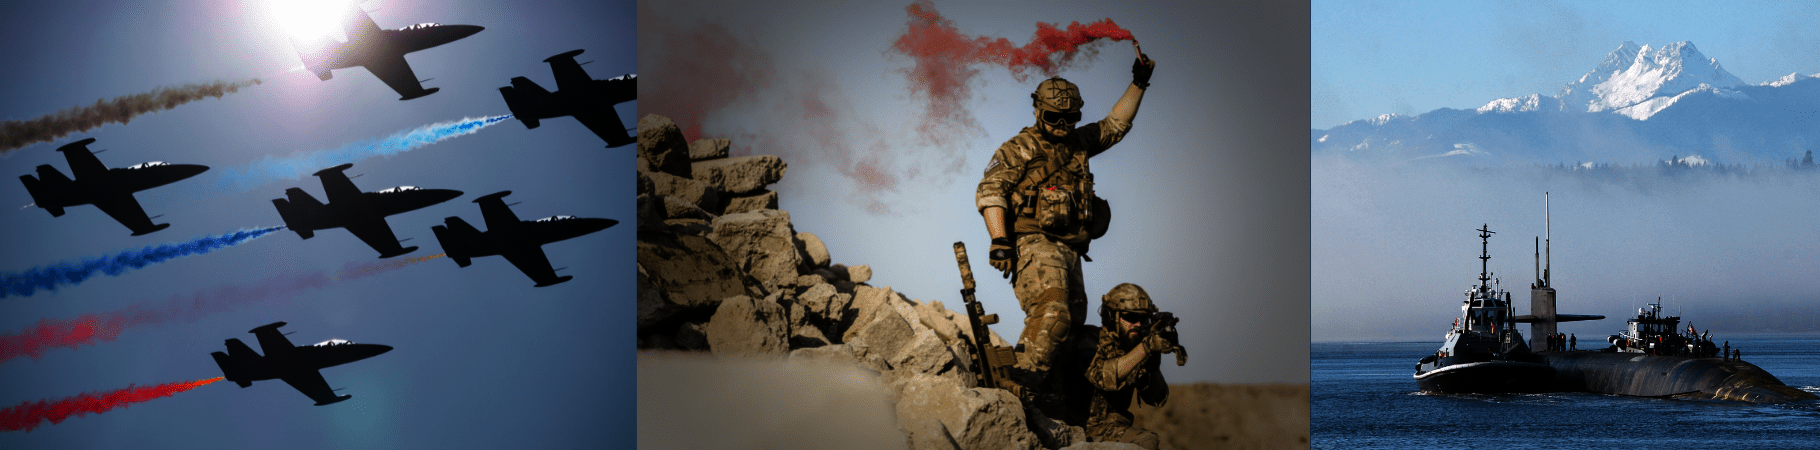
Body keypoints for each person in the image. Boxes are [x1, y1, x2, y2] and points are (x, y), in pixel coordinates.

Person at [976, 46, 1155, 390]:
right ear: (1038, 111)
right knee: (1052, 314)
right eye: (1053, 117)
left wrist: (1139, 83)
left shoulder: (1078, 143)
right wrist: (999, 240)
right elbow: (990, 191)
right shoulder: (1018, 148)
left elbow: (1116, 125)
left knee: (1071, 328)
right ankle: (1017, 383)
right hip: (1033, 244)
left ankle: (1050, 398)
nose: (1062, 126)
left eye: (1069, 118)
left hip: (1071, 251)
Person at [1083, 283, 1175, 450]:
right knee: (1148, 442)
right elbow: (1102, 377)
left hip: (1117, 427)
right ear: (1111, 317)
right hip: (1084, 427)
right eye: (1131, 318)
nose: (1138, 325)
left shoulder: (1135, 348)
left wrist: (1154, 364)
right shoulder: (1089, 340)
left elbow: (1156, 398)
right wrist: (1145, 348)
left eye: (1143, 319)